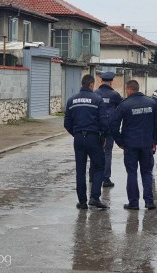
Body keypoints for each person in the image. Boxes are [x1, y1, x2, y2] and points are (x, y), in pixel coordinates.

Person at [111, 80, 157, 210]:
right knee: (147, 172)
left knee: (132, 173)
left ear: (128, 90)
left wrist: (120, 142)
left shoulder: (124, 105)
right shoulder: (152, 103)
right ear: (138, 88)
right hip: (147, 144)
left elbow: (114, 125)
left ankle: (133, 203)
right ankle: (149, 201)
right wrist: (155, 141)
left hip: (130, 144)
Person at [64, 74, 109, 210]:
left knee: (80, 170)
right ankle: (94, 197)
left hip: (78, 139)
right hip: (94, 138)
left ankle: (82, 202)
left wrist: (76, 133)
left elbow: (67, 123)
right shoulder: (97, 99)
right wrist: (103, 137)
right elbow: (104, 122)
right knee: (99, 166)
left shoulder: (71, 100)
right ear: (91, 84)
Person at [94, 71, 123, 188]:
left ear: (101, 81)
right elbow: (121, 109)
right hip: (110, 128)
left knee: (95, 152)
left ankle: (93, 177)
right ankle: (106, 179)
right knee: (107, 152)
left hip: (97, 128)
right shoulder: (115, 95)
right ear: (111, 82)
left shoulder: (95, 94)